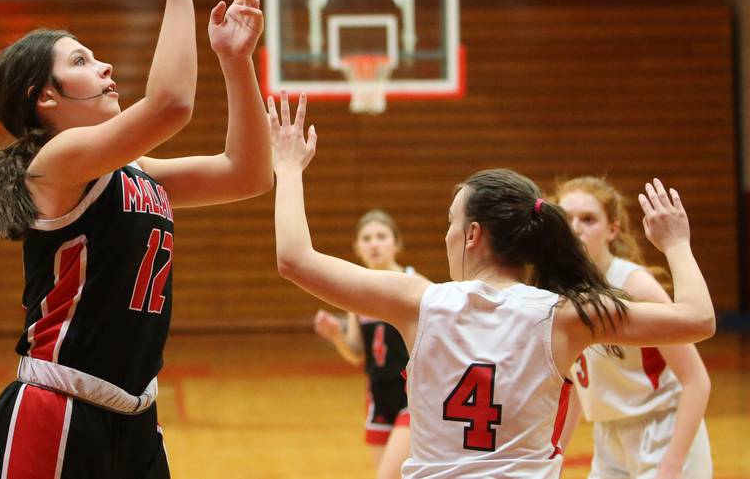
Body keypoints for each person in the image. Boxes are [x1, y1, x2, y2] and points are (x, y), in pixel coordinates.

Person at [267, 92, 715, 479]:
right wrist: (676, 244)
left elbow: (294, 259)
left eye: (450, 222)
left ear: (473, 234)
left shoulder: (416, 300)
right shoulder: (563, 316)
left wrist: (288, 167)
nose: (447, 234)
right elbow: (698, 319)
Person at [0, 0, 272, 479]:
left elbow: (247, 175)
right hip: (56, 410)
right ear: (46, 98)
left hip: (134, 416)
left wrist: (237, 61)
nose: (106, 65)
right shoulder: (53, 164)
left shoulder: (136, 173)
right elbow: (171, 106)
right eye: (83, 60)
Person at [554, 176, 712, 479]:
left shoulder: (635, 286)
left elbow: (696, 381)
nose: (575, 228)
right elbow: (572, 384)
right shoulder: (561, 289)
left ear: (613, 229)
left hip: (663, 430)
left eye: (588, 219)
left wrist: (673, 464)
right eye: (566, 218)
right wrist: (556, 452)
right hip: (608, 435)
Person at [313, 210, 419, 479]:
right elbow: (357, 354)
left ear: (397, 243)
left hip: (411, 394)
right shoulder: (356, 291)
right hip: (378, 396)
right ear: (357, 248)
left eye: (381, 237)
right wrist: (337, 334)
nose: (374, 243)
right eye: (367, 238)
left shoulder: (414, 284)